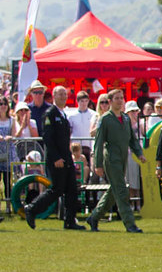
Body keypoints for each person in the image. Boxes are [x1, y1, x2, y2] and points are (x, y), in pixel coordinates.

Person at [24, 85, 86, 230]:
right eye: (60, 94)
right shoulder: (50, 113)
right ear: (53, 96)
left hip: (66, 157)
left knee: (71, 189)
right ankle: (32, 208)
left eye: (65, 94)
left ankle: (70, 221)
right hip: (56, 159)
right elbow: (48, 138)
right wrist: (56, 157)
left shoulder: (63, 114)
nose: (63, 97)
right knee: (57, 189)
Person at [86, 89, 146, 233]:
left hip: (123, 157)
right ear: (110, 101)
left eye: (121, 98)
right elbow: (99, 142)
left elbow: (132, 138)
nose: (120, 101)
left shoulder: (125, 118)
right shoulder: (105, 119)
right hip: (111, 158)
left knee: (114, 190)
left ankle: (94, 217)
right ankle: (130, 223)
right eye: (117, 98)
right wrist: (98, 164)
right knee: (121, 190)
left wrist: (139, 153)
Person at [66, 90, 96, 162]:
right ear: (77, 101)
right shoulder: (71, 116)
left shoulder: (94, 114)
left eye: (86, 101)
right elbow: (69, 131)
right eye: (82, 101)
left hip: (89, 145)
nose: (84, 103)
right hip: (75, 146)